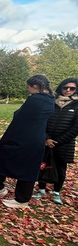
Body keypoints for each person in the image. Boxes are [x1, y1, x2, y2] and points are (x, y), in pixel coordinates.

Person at [0, 74, 54, 209]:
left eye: (28, 87)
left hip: (23, 138)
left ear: (35, 86)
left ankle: (21, 199)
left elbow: (19, 115)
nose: (28, 89)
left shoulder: (36, 100)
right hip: (33, 138)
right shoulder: (49, 100)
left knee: (22, 168)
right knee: (22, 166)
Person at [34, 77, 78, 205]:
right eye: (65, 87)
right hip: (45, 140)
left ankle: (56, 192)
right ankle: (41, 189)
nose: (68, 90)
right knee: (42, 164)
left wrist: (57, 141)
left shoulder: (76, 105)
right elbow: (42, 120)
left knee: (60, 168)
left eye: (72, 88)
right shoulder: (51, 101)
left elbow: (76, 127)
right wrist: (46, 138)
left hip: (64, 143)